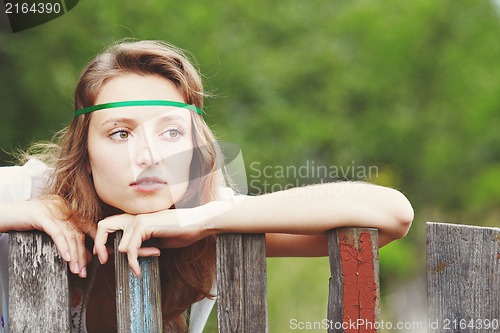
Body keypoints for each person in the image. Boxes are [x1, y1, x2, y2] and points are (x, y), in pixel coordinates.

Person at [0, 40, 413, 333]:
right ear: (85, 153)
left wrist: (204, 221)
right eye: (121, 133)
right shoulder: (33, 193)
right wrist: (17, 213)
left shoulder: (204, 217)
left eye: (172, 132)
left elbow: (393, 214)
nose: (150, 156)